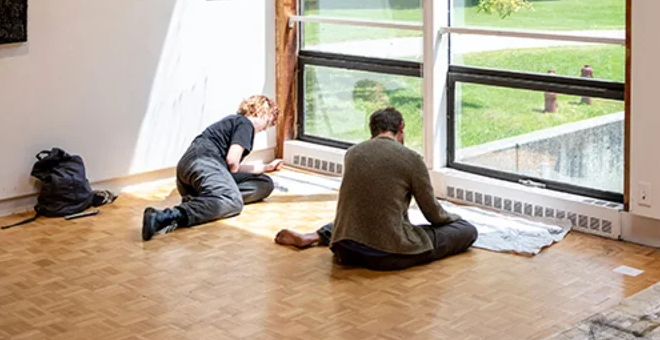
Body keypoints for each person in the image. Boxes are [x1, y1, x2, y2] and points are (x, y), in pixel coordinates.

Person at [275, 107, 478, 271]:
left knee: (361, 212)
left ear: (372, 129)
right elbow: (433, 213)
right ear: (401, 127)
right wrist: (454, 218)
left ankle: (315, 236)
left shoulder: (352, 153)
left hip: (344, 248)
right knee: (466, 230)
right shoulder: (411, 159)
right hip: (386, 254)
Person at [142, 95, 284, 240]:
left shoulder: (231, 122)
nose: (264, 129)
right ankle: (165, 217)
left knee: (265, 183)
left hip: (188, 170)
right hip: (204, 162)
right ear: (258, 112)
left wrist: (267, 167)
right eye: (266, 123)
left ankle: (205, 200)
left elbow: (231, 167)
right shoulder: (245, 123)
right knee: (232, 201)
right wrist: (230, 177)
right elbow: (232, 162)